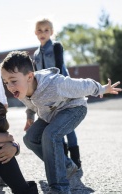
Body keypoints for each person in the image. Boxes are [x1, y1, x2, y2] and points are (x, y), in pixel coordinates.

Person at [0, 51, 122, 194]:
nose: (9, 86)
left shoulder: (54, 83)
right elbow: (31, 104)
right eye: (6, 82)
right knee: (30, 139)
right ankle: (66, 166)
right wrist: (30, 117)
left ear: (29, 77)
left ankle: (60, 188)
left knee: (50, 135)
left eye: (13, 81)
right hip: (51, 114)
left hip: (74, 108)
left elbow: (82, 85)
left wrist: (102, 88)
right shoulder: (21, 88)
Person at [33, 18, 81, 169]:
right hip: (47, 95)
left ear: (52, 32)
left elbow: (60, 68)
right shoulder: (35, 54)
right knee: (56, 126)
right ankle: (66, 162)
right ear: (35, 33)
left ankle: (76, 160)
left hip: (62, 90)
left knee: (68, 127)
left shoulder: (56, 47)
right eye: (39, 30)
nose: (43, 33)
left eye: (46, 30)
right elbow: (36, 75)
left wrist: (67, 91)